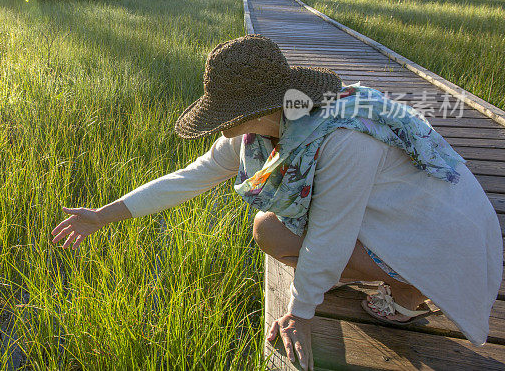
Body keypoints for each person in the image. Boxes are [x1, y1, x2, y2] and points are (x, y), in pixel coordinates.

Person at [50, 35, 502, 370]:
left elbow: (330, 232)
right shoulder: (260, 131)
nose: (216, 123)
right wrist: (102, 216)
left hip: (443, 239)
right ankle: (375, 276)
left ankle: (409, 291)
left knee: (287, 236)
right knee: (270, 229)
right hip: (396, 217)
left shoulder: (343, 140)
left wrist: (300, 313)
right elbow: (189, 178)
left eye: (221, 112)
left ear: (254, 108)